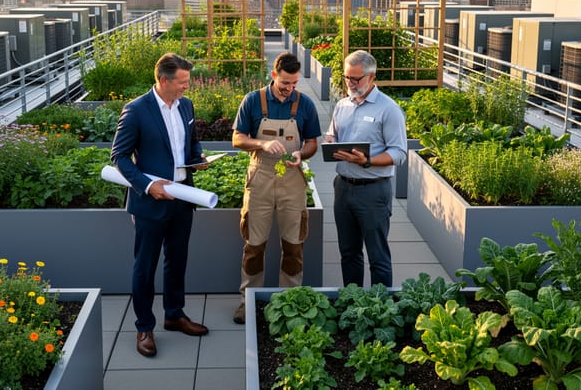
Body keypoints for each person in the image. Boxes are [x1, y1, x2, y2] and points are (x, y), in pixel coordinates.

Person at [110, 53, 210, 358]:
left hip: (183, 197)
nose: (186, 87)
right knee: (145, 267)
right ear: (163, 80)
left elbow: (190, 143)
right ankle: (144, 326)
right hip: (150, 202)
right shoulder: (137, 110)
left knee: (177, 259)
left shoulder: (187, 106)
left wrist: (199, 158)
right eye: (181, 82)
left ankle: (174, 315)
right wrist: (148, 185)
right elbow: (119, 157)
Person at [230, 52, 321, 324]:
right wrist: (262, 144)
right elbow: (237, 139)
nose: (290, 89)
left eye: (294, 84)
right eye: (285, 83)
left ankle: (289, 302)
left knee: (293, 244)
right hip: (260, 176)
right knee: (254, 245)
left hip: (292, 178)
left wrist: (301, 155)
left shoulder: (305, 105)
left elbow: (313, 143)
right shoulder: (252, 101)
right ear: (273, 75)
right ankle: (248, 301)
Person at [325, 50, 408, 287]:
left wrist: (367, 160)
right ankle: (353, 304)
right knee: (349, 253)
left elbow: (399, 153)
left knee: (378, 256)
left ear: (371, 77)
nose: (350, 83)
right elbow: (333, 133)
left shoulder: (388, 109)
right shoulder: (342, 105)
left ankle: (380, 309)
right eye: (347, 78)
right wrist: (330, 141)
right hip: (343, 188)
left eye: (356, 79)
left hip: (373, 191)